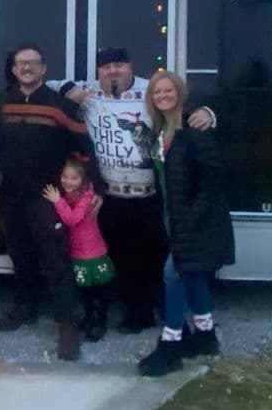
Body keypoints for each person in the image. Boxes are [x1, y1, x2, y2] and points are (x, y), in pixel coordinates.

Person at [51, 48, 216, 333]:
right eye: (106, 67)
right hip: (110, 193)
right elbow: (48, 84)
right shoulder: (87, 92)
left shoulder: (149, 90)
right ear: (97, 72)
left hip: (150, 192)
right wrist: (67, 88)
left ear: (130, 68)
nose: (113, 71)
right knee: (121, 257)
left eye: (119, 65)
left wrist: (207, 112)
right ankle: (134, 313)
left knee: (157, 254)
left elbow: (181, 101)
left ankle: (164, 309)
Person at [0, 43, 95, 361]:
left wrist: (86, 189)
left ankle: (67, 322)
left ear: (44, 69)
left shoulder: (60, 106)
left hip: (48, 195)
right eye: (20, 63)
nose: (26, 68)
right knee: (20, 254)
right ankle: (25, 306)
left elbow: (83, 149)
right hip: (11, 193)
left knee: (55, 258)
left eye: (33, 63)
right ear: (13, 70)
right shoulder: (1, 103)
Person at [137, 71, 235, 377]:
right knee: (191, 274)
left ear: (179, 93)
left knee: (174, 273)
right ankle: (205, 335)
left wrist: (192, 216)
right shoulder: (159, 130)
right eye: (156, 92)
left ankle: (171, 343)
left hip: (193, 217)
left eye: (168, 90)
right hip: (172, 213)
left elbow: (212, 177)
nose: (162, 96)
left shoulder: (194, 128)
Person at [42, 157, 114, 342]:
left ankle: (99, 320)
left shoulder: (87, 197)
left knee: (97, 290)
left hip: (93, 254)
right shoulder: (70, 196)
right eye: (65, 177)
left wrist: (58, 202)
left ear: (83, 180)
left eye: (74, 178)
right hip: (78, 253)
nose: (68, 181)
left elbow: (73, 219)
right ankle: (89, 317)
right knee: (84, 291)